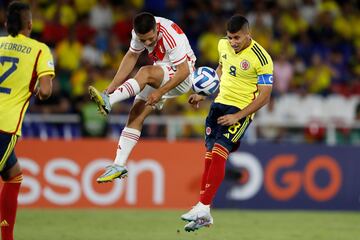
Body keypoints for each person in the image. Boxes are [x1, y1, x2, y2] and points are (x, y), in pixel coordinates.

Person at [181, 15, 273, 232]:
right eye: (230, 37)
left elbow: (265, 96)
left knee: (220, 150)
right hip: (219, 104)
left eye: (237, 38)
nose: (232, 42)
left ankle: (203, 206)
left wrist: (239, 116)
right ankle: (204, 210)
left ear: (248, 34)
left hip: (239, 111)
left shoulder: (262, 58)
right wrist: (204, 93)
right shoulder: (222, 44)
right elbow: (221, 70)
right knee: (209, 155)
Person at [88, 12, 196, 183]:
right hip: (161, 71)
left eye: (150, 39)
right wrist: (112, 86)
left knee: (144, 72)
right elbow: (131, 56)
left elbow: (183, 71)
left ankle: (109, 101)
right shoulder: (138, 34)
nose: (147, 43)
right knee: (136, 113)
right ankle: (119, 165)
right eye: (143, 40)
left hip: (182, 76)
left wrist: (160, 92)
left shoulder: (170, 34)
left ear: (156, 29)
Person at [0, 2, 55, 240]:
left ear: (6, 24)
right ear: (30, 25)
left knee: (14, 174)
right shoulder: (39, 49)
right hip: (5, 125)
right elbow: (45, 91)